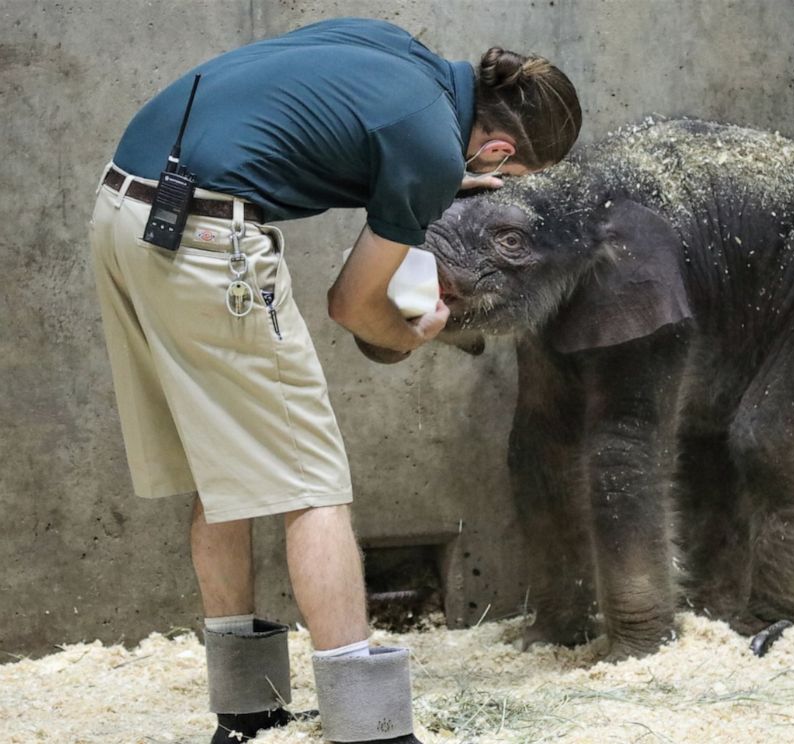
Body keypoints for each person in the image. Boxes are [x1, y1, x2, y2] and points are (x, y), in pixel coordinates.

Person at [88, 16, 581, 744]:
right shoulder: (427, 148)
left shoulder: (399, 54)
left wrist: (439, 175)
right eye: (506, 177)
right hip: (206, 235)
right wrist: (419, 331)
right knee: (312, 482)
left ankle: (245, 709)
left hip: (126, 209)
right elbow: (352, 305)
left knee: (227, 467)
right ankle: (369, 728)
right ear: (500, 148)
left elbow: (321, 118)